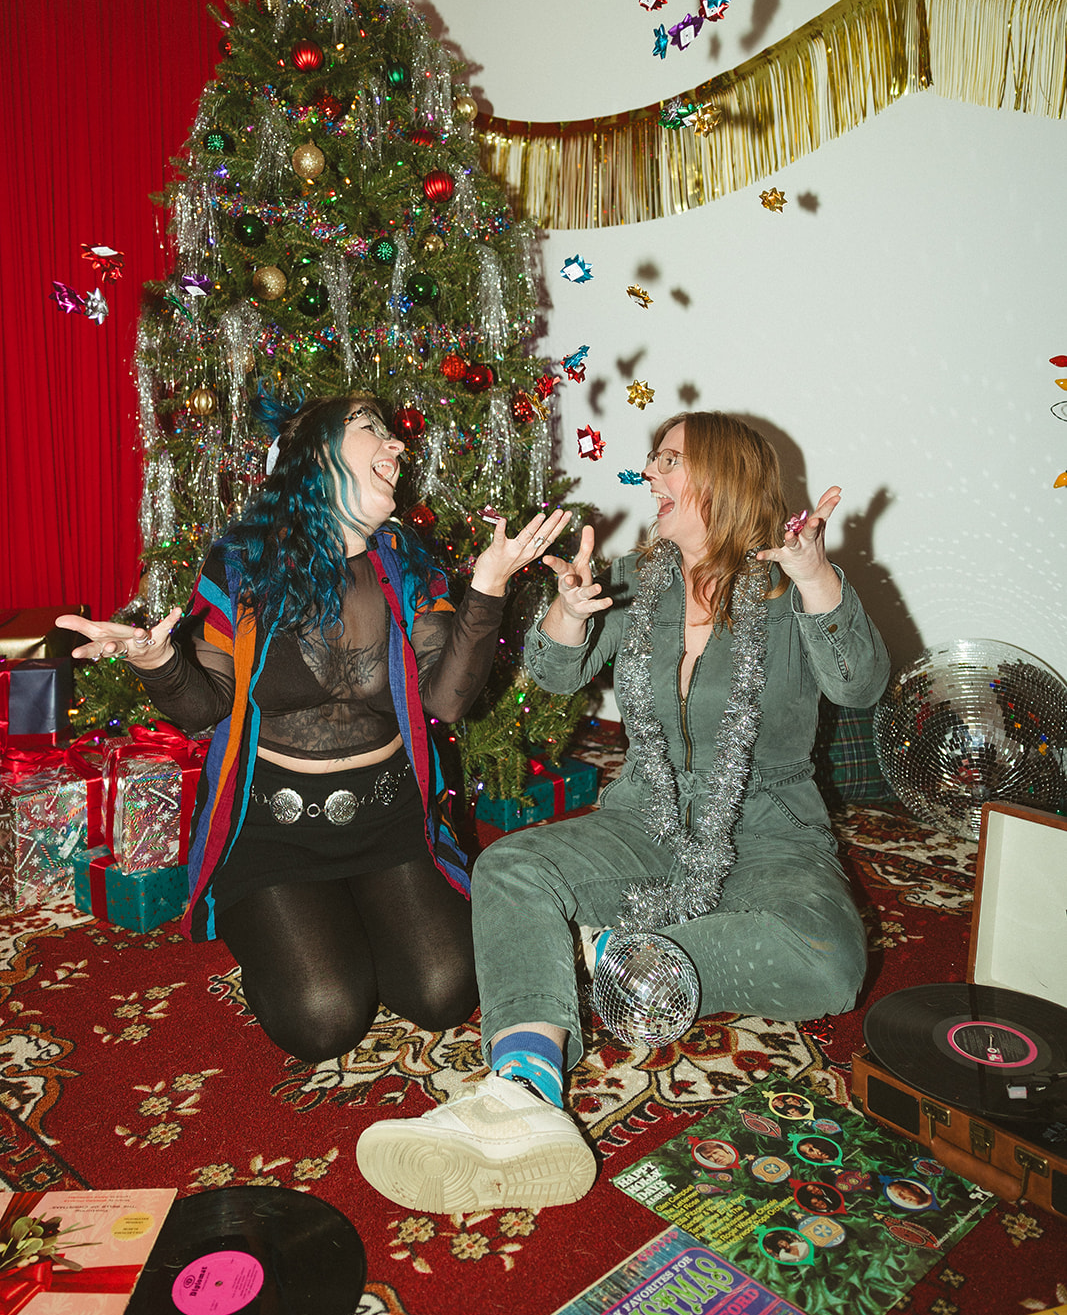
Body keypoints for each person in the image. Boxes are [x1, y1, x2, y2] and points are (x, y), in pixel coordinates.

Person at [355, 411, 890, 1214]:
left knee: (830, 962)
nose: (649, 475)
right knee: (511, 866)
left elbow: (860, 685)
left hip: (769, 828)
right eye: (650, 460)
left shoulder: (789, 586)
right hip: (645, 816)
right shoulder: (639, 581)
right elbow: (553, 674)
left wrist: (817, 578)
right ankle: (522, 1084)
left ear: (723, 475)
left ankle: (614, 953)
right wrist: (570, 610)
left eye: (668, 460)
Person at [57, 394, 570, 1062]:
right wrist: (157, 662)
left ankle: (349, 912)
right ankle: (297, 919)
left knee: (444, 993)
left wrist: (490, 586)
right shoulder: (242, 566)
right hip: (273, 831)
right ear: (314, 457)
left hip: (387, 819)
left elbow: (446, 700)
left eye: (393, 434)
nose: (397, 445)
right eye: (371, 429)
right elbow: (205, 707)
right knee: (324, 1019)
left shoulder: (406, 565)